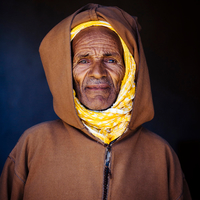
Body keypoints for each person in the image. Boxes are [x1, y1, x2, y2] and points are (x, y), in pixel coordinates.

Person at [0, 3, 191, 200]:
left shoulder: (161, 156)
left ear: (128, 71)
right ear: (67, 72)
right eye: (83, 60)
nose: (98, 72)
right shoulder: (33, 145)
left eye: (110, 60)